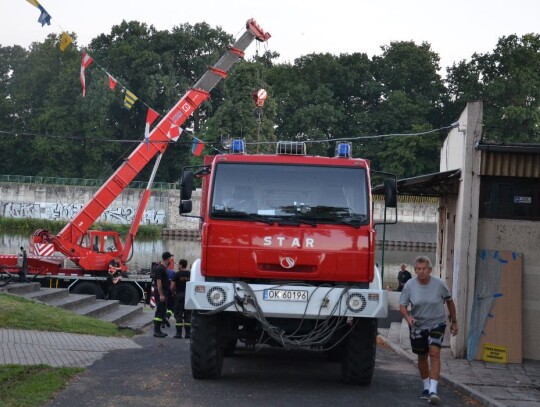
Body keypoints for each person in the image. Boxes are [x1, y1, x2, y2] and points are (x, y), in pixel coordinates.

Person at [399, 256, 458, 405]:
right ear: (415, 270)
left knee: (434, 353)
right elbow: (402, 306)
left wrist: (454, 322)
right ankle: (426, 387)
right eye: (418, 269)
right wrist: (408, 318)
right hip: (418, 325)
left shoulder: (439, 284)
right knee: (422, 356)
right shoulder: (409, 285)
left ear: (430, 270)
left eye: (424, 269)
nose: (421, 272)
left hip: (437, 323)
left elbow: (450, 302)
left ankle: (433, 390)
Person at [153, 251, 173, 338]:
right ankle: (156, 331)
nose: (171, 260)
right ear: (168, 259)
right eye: (170, 258)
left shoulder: (164, 268)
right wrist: (161, 295)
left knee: (161, 311)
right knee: (160, 312)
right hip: (161, 293)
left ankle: (158, 330)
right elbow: (158, 282)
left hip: (164, 292)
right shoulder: (160, 268)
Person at [170, 259, 191, 339]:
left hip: (179, 296)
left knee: (178, 315)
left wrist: (173, 292)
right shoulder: (190, 274)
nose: (177, 265)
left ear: (181, 265)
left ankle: (178, 334)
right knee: (188, 315)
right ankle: (188, 334)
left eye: (178, 264)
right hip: (188, 297)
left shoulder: (177, 274)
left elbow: (172, 286)